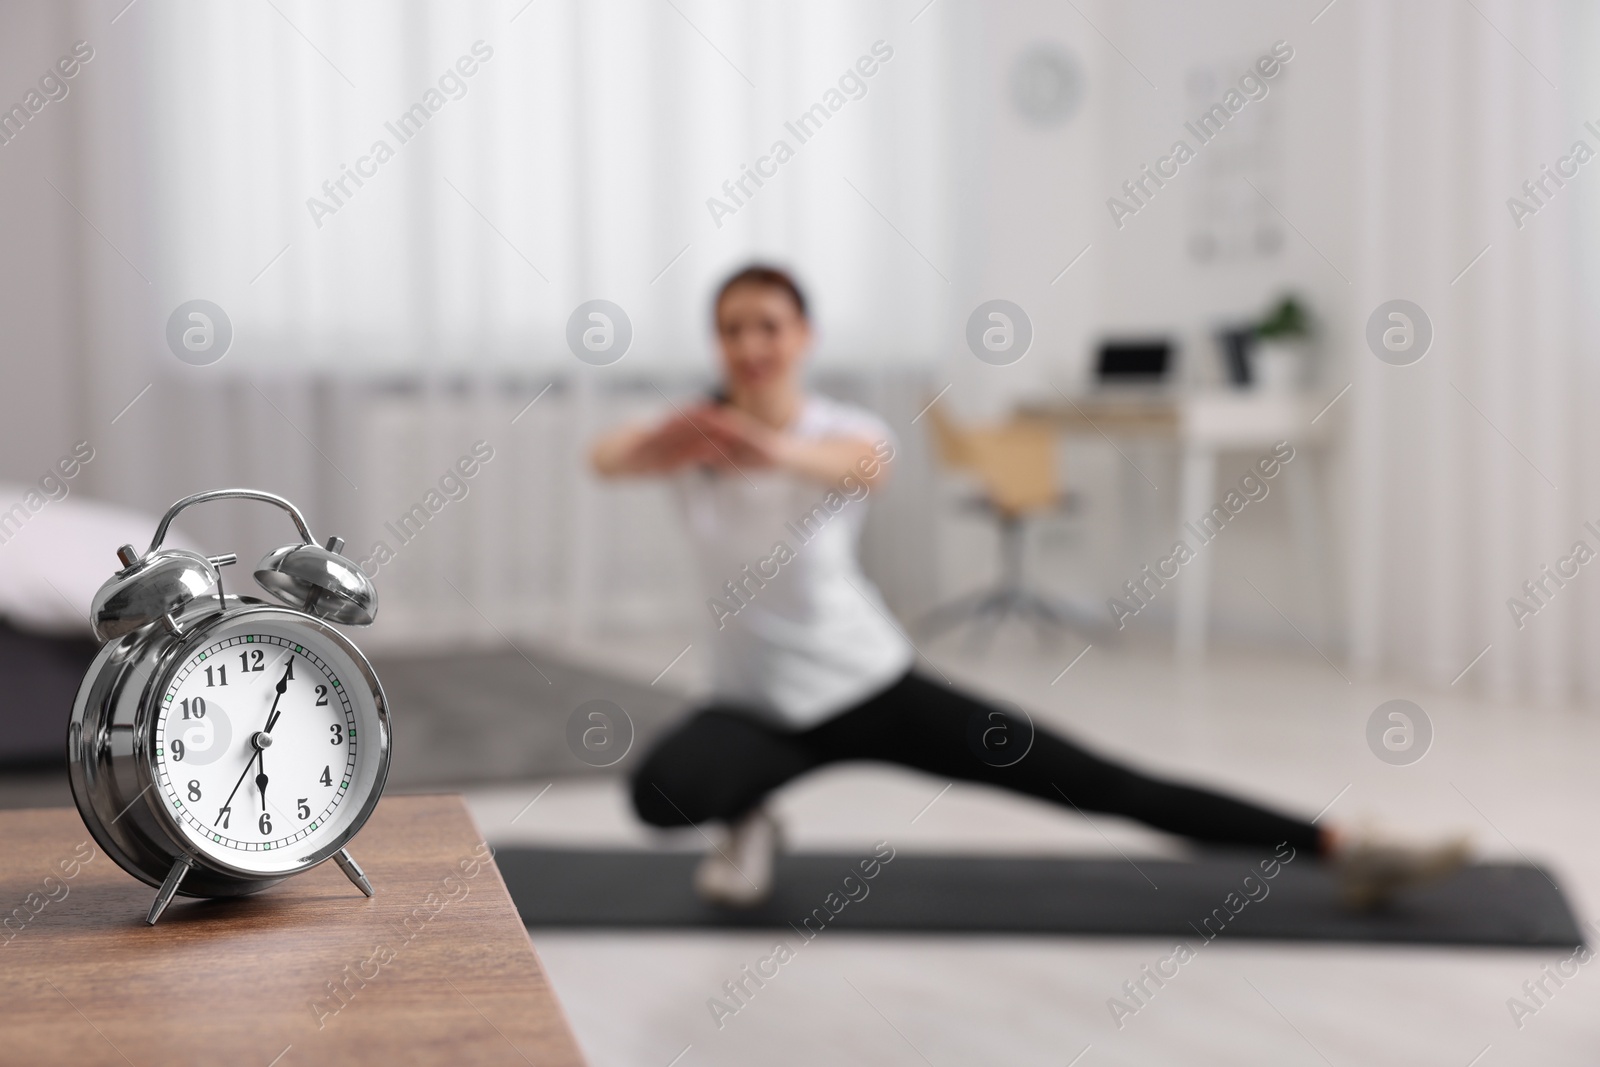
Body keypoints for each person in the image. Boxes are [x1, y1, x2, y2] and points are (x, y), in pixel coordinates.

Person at [591, 264, 1467, 909]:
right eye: (733, 328)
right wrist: (673, 437)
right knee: (659, 793)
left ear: (805, 336)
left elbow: (866, 465)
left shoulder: (837, 428)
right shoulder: (691, 448)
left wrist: (764, 447)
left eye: (768, 325)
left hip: (872, 688)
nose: (750, 344)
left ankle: (1345, 844)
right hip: (759, 711)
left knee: (1101, 783)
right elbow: (607, 455)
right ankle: (751, 812)